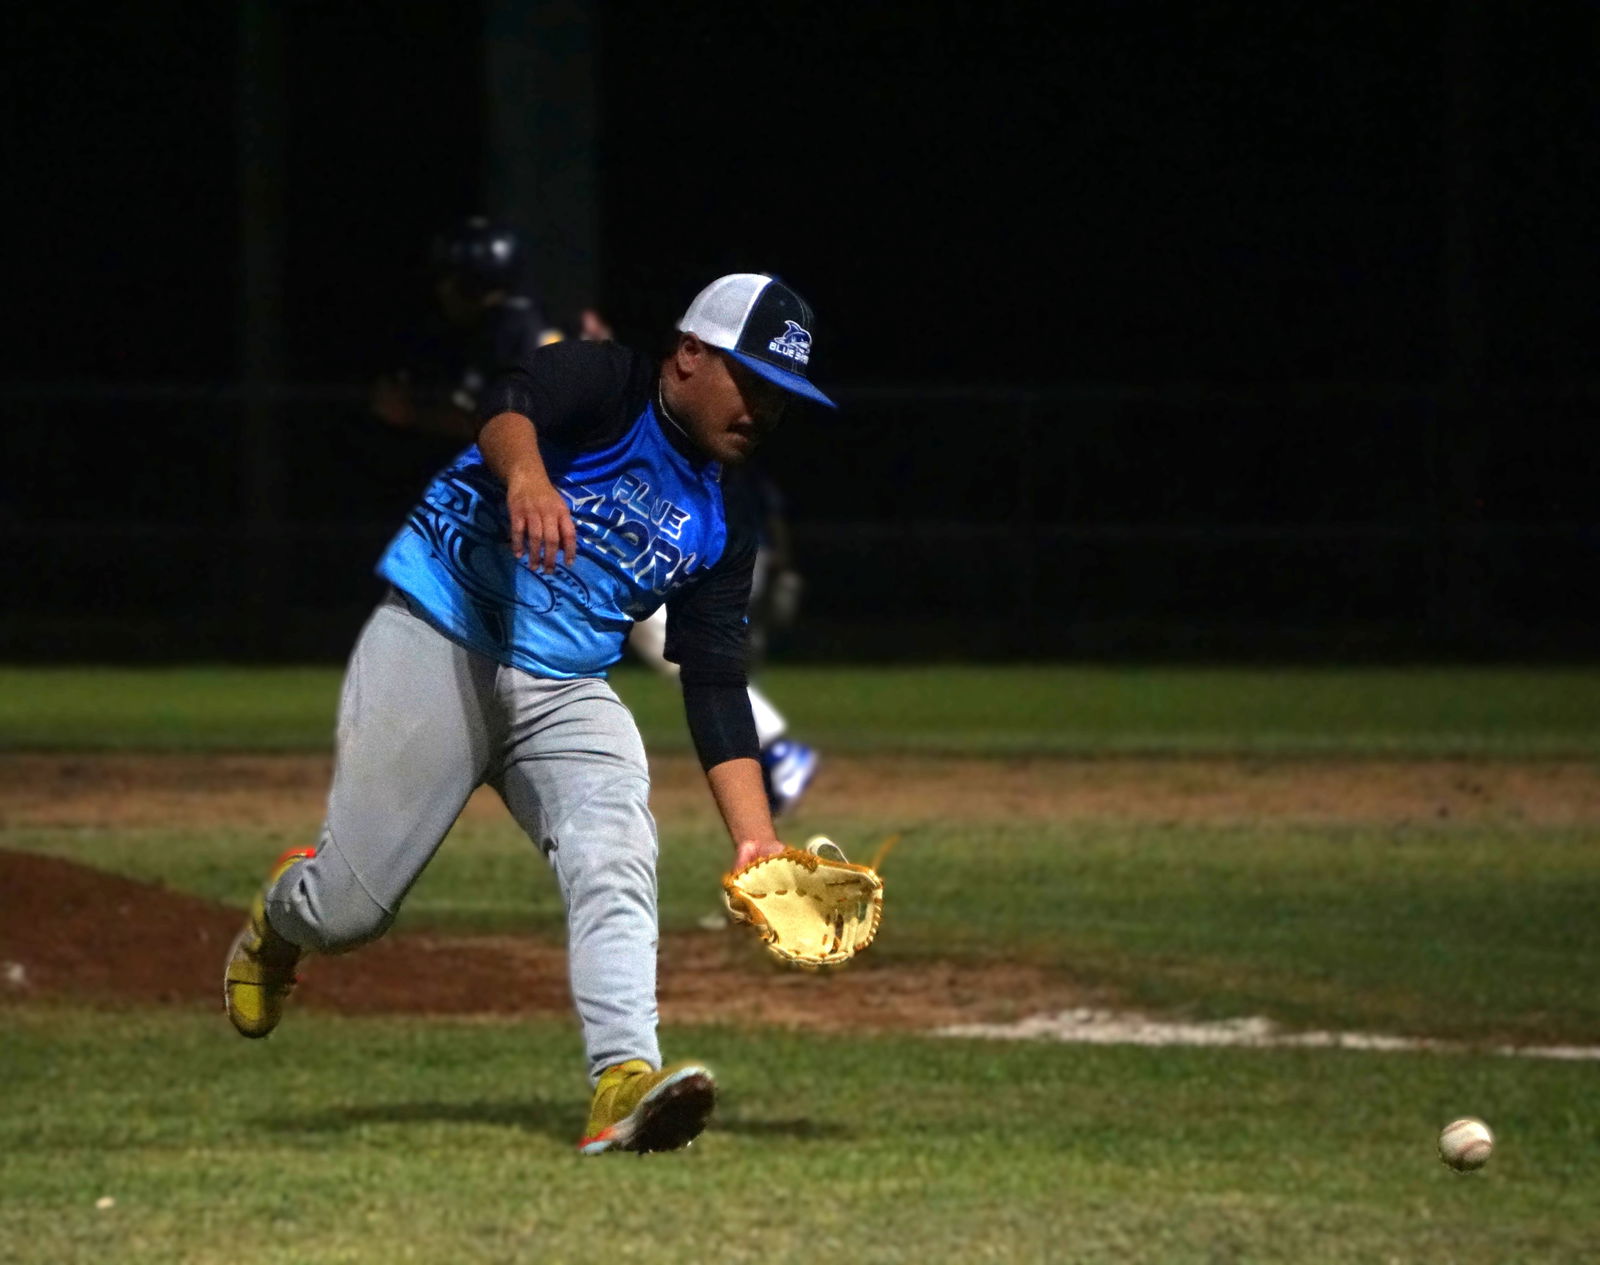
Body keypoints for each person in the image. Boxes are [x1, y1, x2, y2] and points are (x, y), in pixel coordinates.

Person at [224, 272, 837, 1157]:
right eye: (755, 381)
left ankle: (623, 1080)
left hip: (565, 690)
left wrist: (755, 839)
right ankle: (283, 922)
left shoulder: (723, 515)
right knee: (348, 912)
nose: (765, 409)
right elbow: (508, 402)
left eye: (784, 397)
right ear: (691, 355)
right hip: (439, 635)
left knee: (617, 847)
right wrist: (527, 478)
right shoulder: (610, 381)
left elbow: (712, 676)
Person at [374, 218, 821, 816]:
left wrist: (423, 421)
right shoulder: (536, 329)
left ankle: (772, 747)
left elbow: (505, 408)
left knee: (653, 631)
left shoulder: (510, 330)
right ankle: (774, 747)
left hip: (602, 511)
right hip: (593, 512)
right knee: (647, 631)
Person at [369, 216, 568, 445]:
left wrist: (412, 414)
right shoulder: (494, 323)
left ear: (473, 283)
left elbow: (512, 430)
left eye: (449, 278)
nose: (442, 290)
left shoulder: (517, 330)